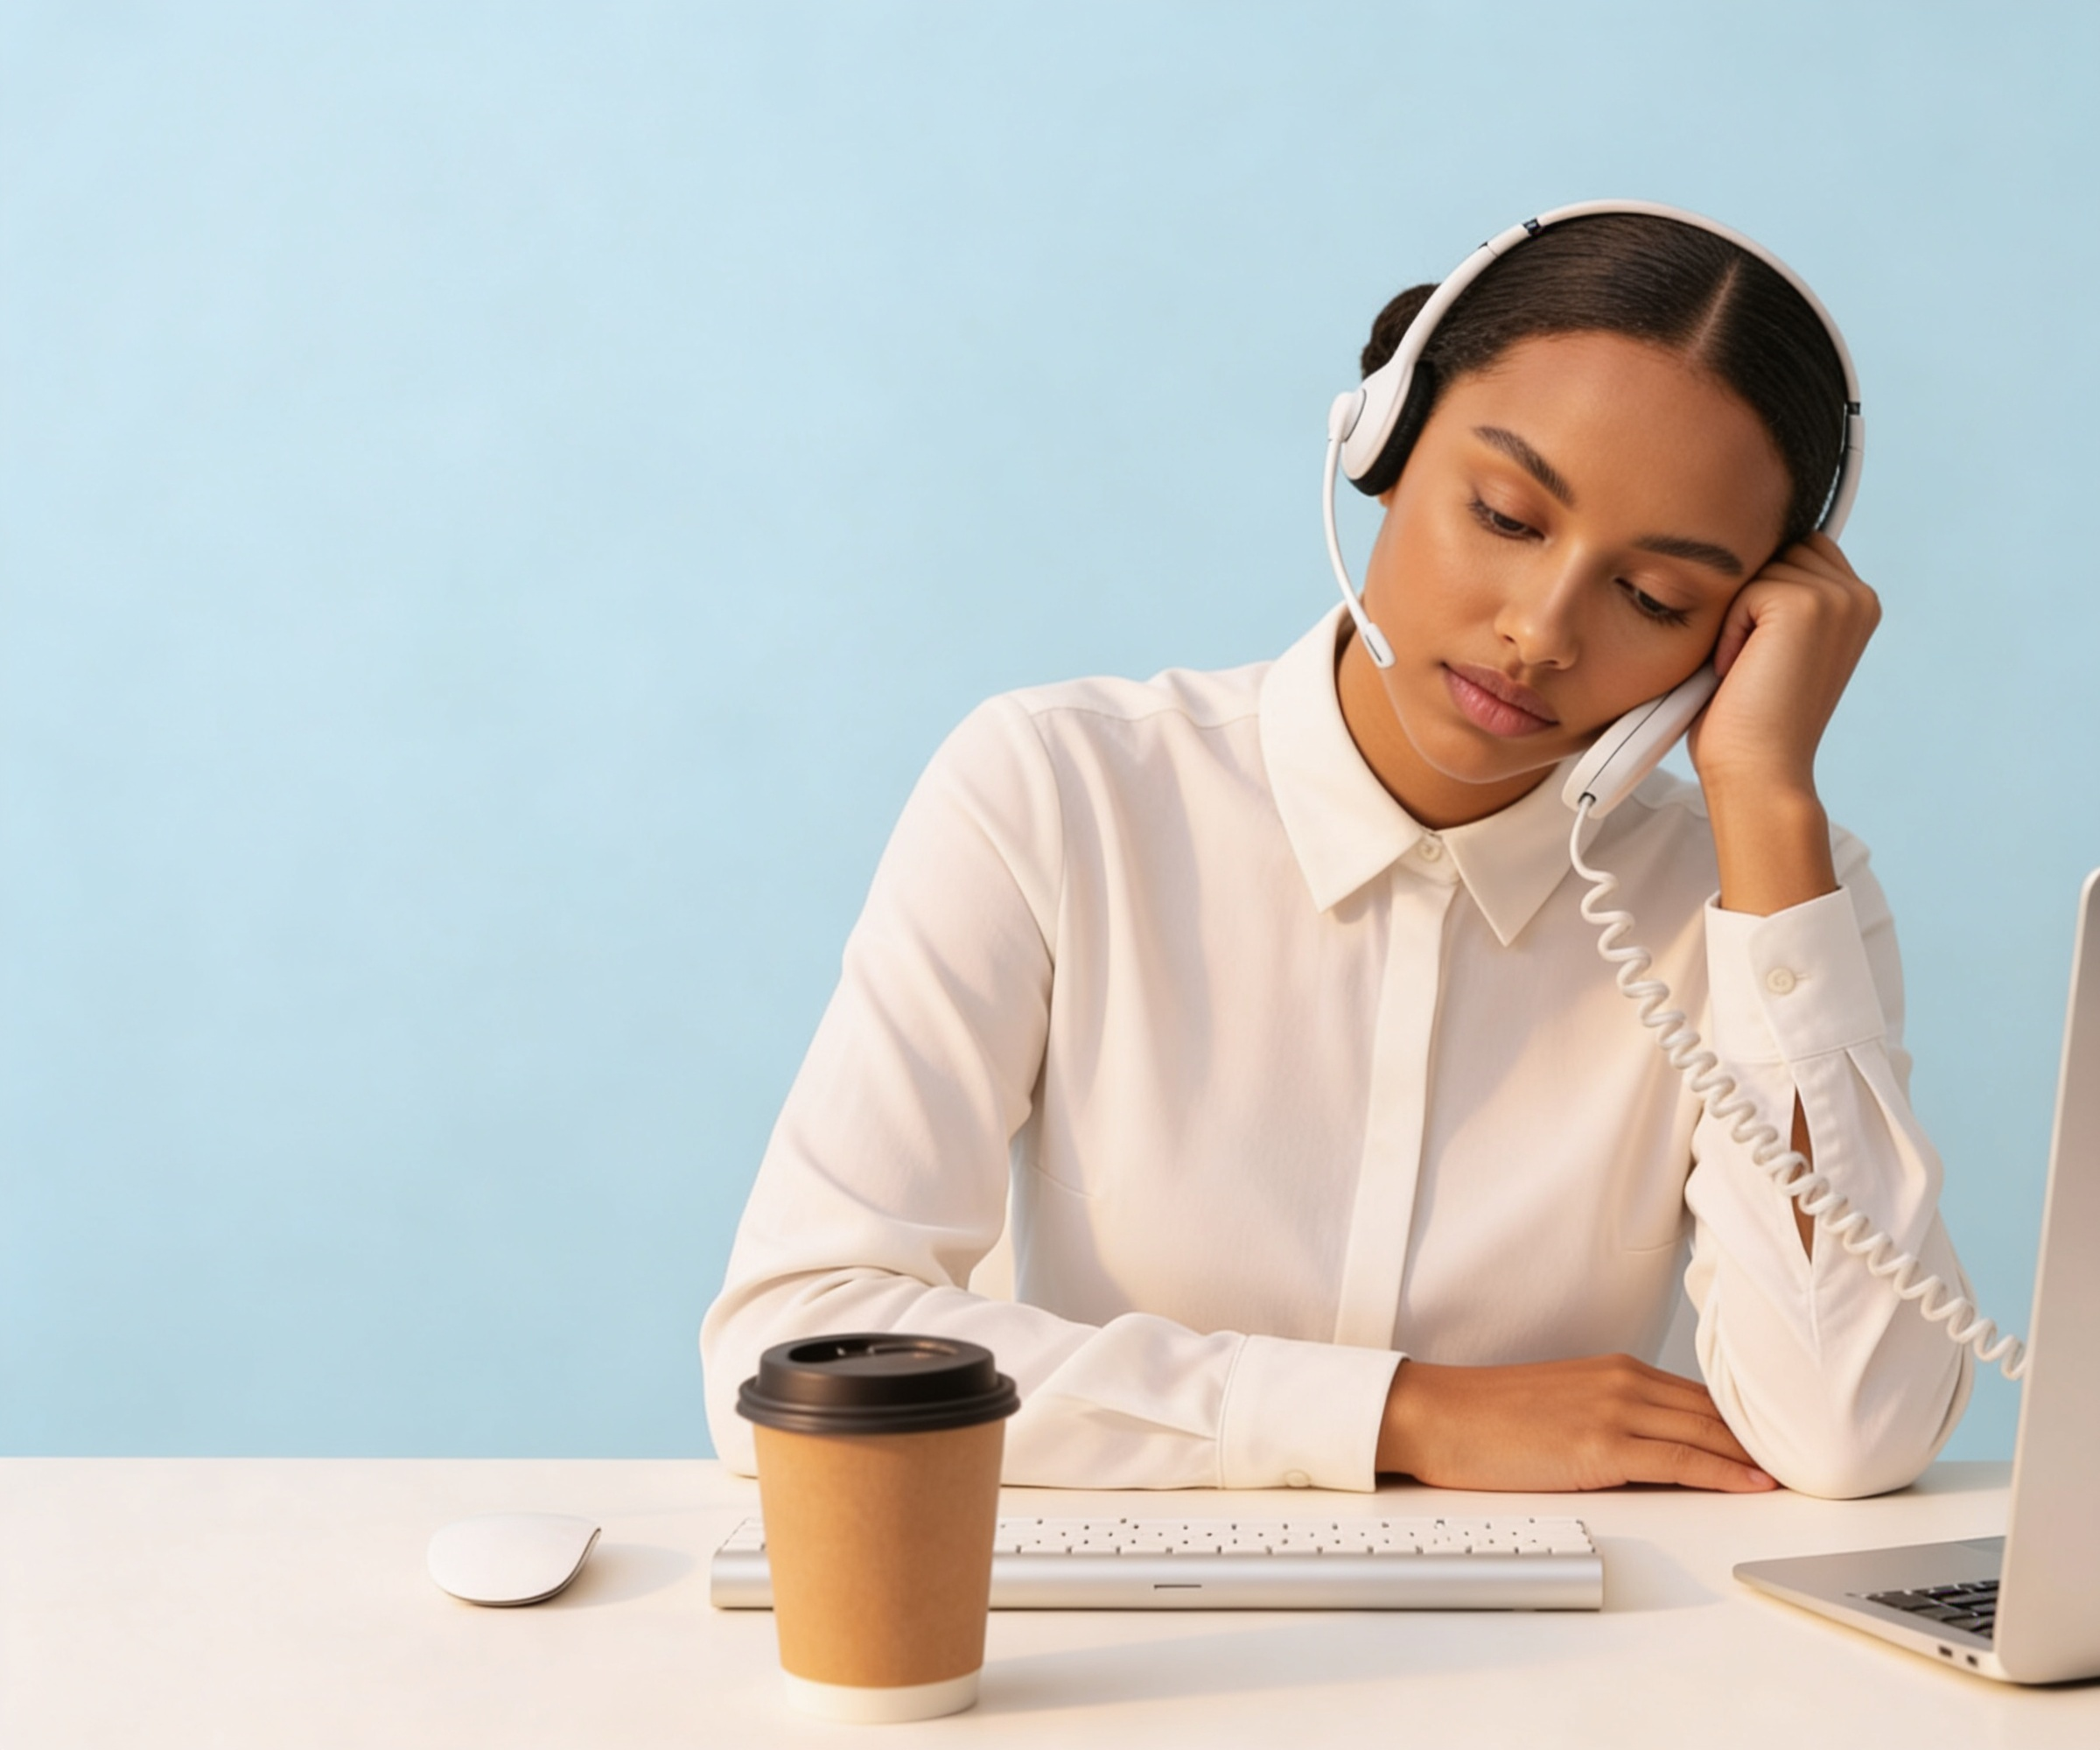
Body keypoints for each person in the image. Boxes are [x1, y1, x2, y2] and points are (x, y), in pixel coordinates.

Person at [701, 212, 1972, 1500]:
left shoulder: (1766, 905)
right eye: (1506, 515)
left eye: (1657, 600)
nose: (1540, 632)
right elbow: (792, 1355)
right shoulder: (1058, 790)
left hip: (1572, 1681)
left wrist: (1762, 796)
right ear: (1381, 444)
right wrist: (1399, 1417)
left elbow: (1851, 1434)